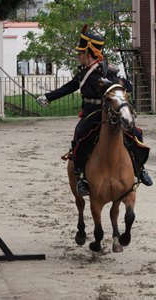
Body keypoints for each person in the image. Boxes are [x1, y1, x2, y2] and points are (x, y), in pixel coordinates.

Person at [36, 24, 153, 196]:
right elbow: (70, 87)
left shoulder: (107, 69)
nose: (77, 56)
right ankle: (81, 176)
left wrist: (113, 81)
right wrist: (48, 96)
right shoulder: (83, 71)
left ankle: (140, 169)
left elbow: (127, 86)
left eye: (80, 54)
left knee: (136, 132)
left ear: (88, 55)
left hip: (110, 110)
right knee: (79, 135)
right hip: (91, 112)